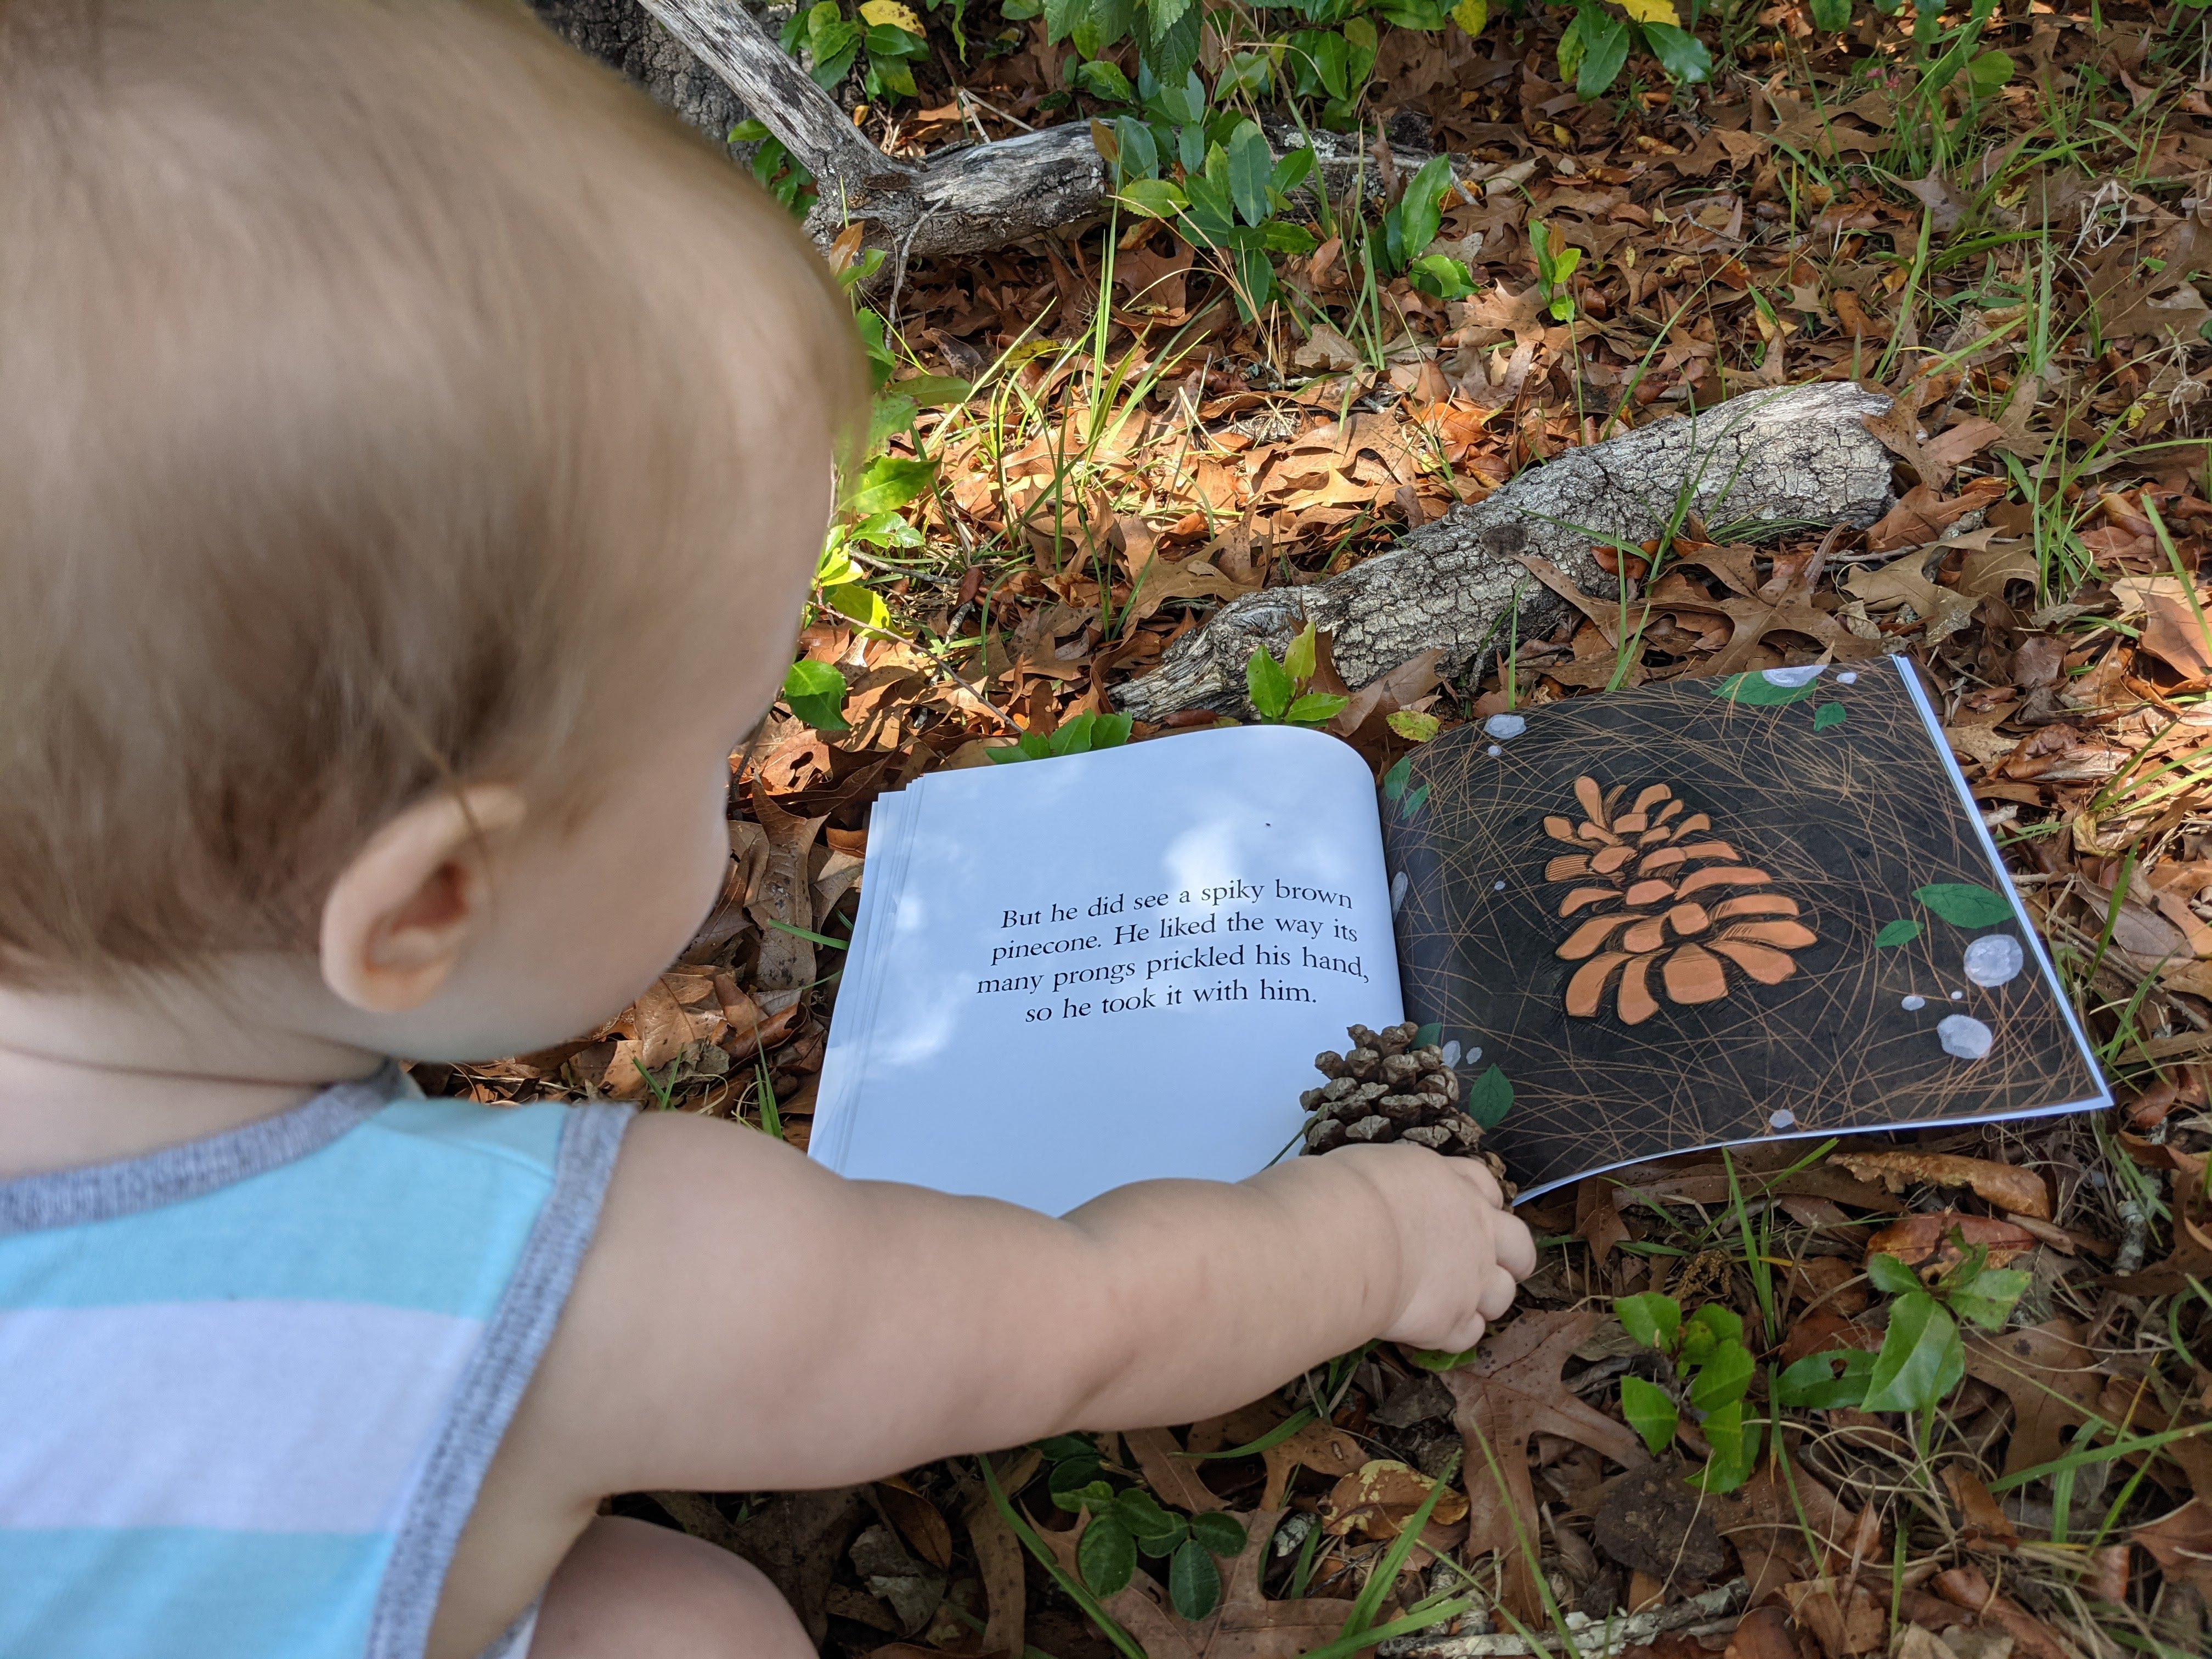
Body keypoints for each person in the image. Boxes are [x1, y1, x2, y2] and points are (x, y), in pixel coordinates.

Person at [0, 3, 1536, 1655]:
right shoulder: (592, 1277)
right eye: (716, 739)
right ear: (431, 897)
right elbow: (1086, 1321)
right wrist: (1369, 1235)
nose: (749, 782)